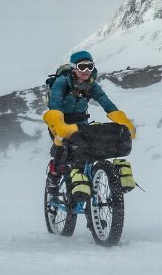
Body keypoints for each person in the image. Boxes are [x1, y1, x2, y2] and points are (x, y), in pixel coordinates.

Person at [42, 50, 137, 202]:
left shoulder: (91, 85)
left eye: (90, 67)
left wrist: (123, 121)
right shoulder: (62, 83)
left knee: (89, 147)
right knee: (62, 149)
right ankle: (53, 176)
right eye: (82, 66)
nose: (86, 71)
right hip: (59, 121)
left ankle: (89, 185)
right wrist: (60, 126)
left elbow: (107, 103)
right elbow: (54, 104)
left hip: (81, 123)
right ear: (74, 68)